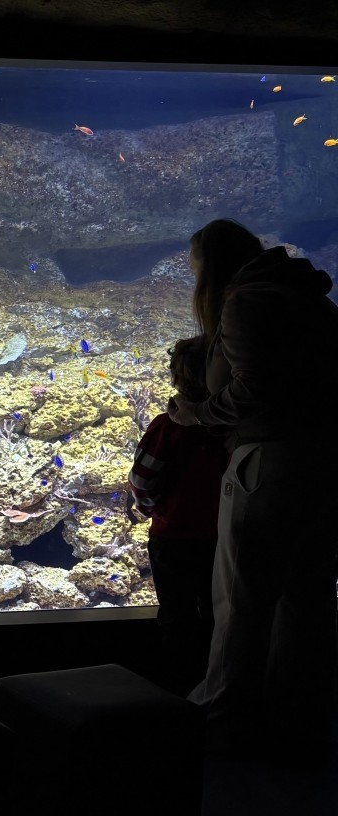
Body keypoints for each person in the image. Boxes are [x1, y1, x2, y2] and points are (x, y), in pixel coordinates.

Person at [170, 219, 338, 762]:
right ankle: (296, 722)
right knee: (307, 599)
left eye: (194, 267)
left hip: (267, 463)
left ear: (210, 265)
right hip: (322, 464)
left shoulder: (245, 302)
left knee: (241, 597)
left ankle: (217, 723)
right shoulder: (306, 297)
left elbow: (252, 387)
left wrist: (197, 414)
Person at [128, 334, 229, 696]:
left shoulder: (167, 427)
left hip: (172, 538)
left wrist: (150, 507)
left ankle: (176, 687)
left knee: (176, 613)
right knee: (217, 607)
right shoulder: (230, 428)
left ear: (174, 377)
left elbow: (142, 479)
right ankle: (213, 680)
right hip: (222, 537)